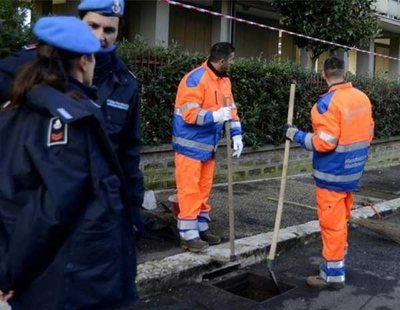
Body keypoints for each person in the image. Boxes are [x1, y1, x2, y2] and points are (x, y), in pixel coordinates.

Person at [0, 16, 137, 309]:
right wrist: (10, 274)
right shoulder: (71, 119)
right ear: (85, 60)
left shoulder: (16, 107)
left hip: (44, 276)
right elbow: (50, 212)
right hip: (72, 281)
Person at [0, 0, 145, 235]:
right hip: (35, 214)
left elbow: (128, 153)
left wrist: (133, 208)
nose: (100, 37)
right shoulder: (36, 65)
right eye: (93, 26)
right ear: (79, 23)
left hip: (95, 216)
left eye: (109, 30)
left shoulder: (126, 83)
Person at [285, 56, 374, 289]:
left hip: (331, 174)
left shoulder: (325, 104)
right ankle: (337, 262)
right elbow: (369, 131)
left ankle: (332, 275)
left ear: (323, 75)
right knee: (341, 221)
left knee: (331, 224)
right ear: (346, 73)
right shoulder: (362, 98)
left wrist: (296, 135)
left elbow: (325, 142)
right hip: (353, 172)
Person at [172, 42, 244, 252]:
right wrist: (214, 116)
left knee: (203, 190)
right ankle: (188, 235)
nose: (232, 63)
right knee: (189, 190)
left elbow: (231, 110)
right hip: (189, 146)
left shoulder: (223, 81)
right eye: (231, 60)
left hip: (208, 147)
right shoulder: (195, 79)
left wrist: (237, 135)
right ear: (222, 61)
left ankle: (201, 229)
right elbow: (189, 114)